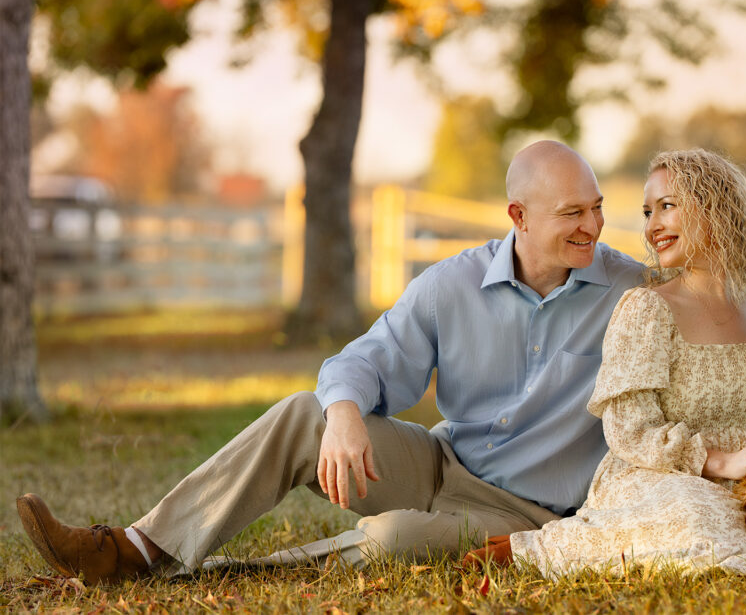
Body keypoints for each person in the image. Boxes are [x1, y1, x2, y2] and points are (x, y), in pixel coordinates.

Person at [16, 140, 644, 586]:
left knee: (396, 541)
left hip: (524, 512)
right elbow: (367, 358)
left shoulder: (632, 293)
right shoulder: (452, 284)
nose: (593, 225)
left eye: (596, 208)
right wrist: (342, 413)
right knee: (302, 415)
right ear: (519, 217)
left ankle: (220, 572)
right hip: (440, 464)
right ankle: (135, 549)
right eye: (573, 213)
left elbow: (723, 311)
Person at [466, 149, 746, 575]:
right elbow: (630, 428)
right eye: (647, 212)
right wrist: (716, 461)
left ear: (716, 207)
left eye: (667, 206)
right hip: (666, 476)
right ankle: (537, 550)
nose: (652, 226)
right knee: (691, 514)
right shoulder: (647, 308)